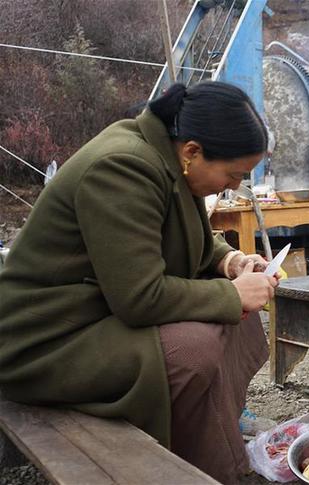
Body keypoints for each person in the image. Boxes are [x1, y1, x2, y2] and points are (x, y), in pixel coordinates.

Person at [0, 81, 279, 484]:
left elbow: (189, 239)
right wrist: (230, 294)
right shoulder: (121, 167)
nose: (234, 186)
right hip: (44, 339)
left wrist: (230, 263)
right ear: (193, 151)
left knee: (239, 318)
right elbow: (140, 298)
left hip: (95, 317)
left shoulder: (167, 158)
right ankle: (191, 465)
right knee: (193, 348)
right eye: (232, 174)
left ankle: (209, 448)